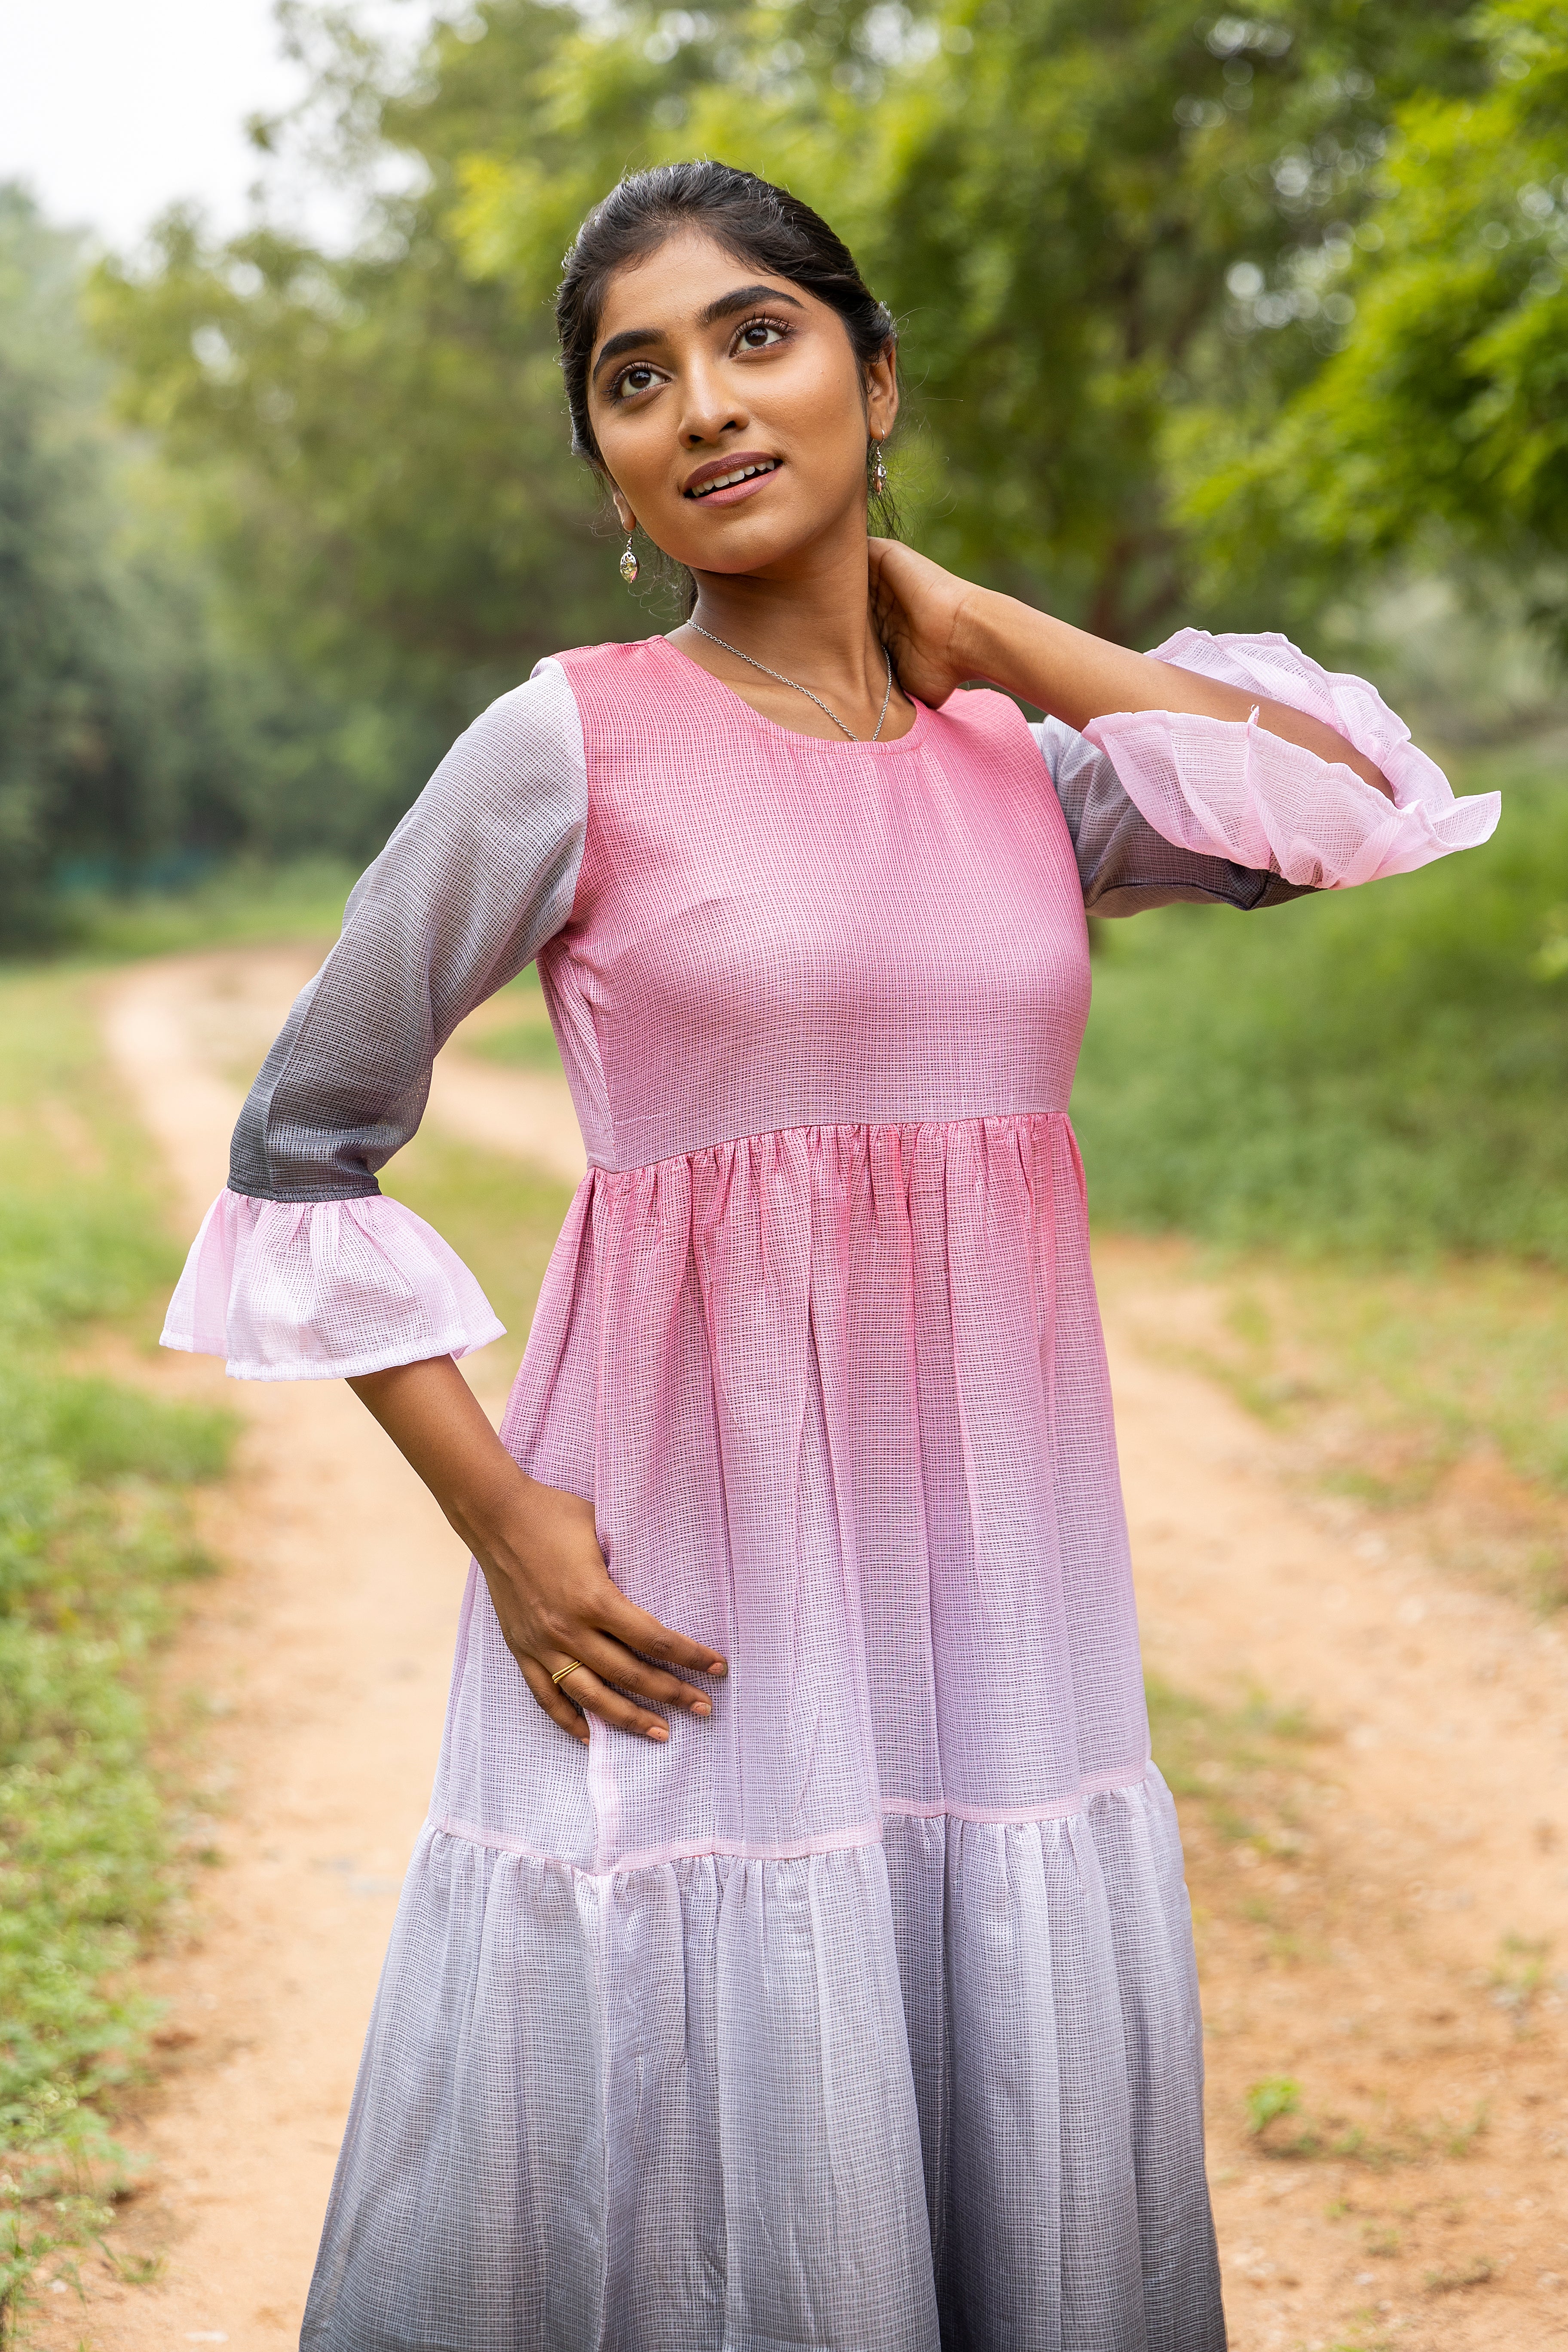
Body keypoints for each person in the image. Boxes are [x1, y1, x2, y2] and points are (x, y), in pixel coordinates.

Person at [163, 161, 1498, 2352]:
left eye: (756, 338)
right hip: (694, 1580)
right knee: (703, 2128)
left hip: (998, 1581)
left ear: (878, 382)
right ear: (603, 461)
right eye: (634, 377)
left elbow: (1362, 800)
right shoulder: (563, 744)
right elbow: (304, 1143)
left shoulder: (1027, 773)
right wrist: (502, 1523)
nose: (701, 405)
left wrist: (985, 636)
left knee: (984, 2073)